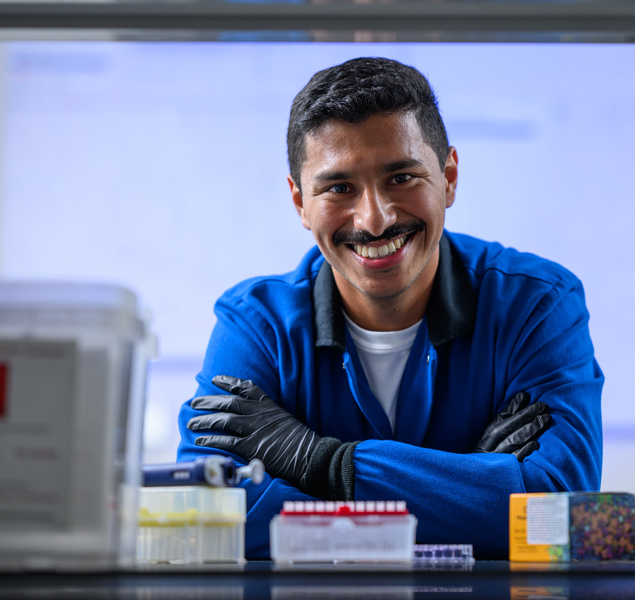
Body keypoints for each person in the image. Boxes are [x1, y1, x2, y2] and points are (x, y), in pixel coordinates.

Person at [178, 57, 604, 559]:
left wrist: (321, 464)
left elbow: (566, 520)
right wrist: (475, 486)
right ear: (299, 203)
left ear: (448, 177)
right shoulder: (256, 324)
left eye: (401, 177)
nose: (374, 220)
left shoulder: (538, 305)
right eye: (339, 188)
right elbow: (210, 512)